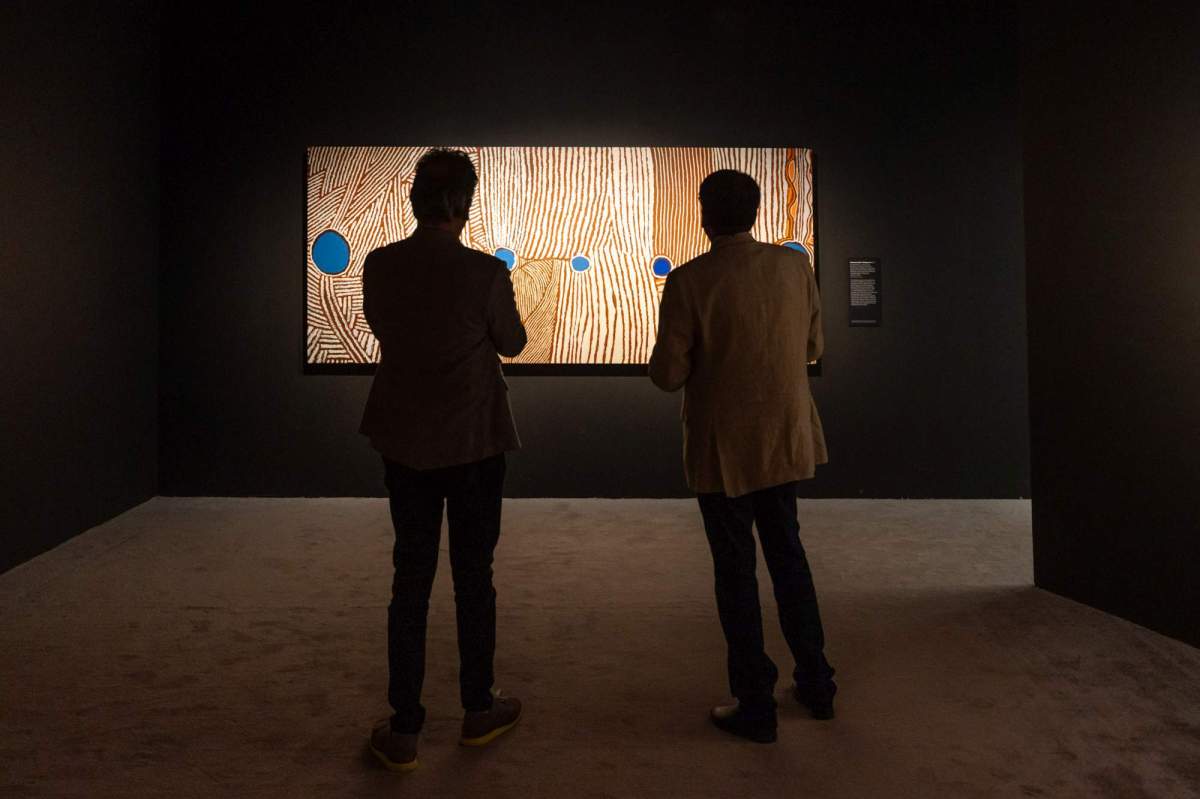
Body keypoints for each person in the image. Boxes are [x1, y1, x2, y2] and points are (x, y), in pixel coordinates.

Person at [648, 169, 836, 744]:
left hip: (723, 451)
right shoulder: (793, 266)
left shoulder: (688, 281)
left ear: (704, 214)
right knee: (789, 558)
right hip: (782, 437)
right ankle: (818, 684)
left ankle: (755, 702)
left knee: (736, 573)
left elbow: (668, 376)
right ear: (755, 212)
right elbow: (813, 346)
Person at [360, 148, 526, 772]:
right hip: (474, 440)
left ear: (413, 201)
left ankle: (404, 726)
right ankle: (478, 709)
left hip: (405, 438)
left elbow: (383, 328)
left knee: (410, 575)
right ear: (466, 202)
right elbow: (512, 341)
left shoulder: (381, 265)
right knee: (473, 573)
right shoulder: (484, 272)